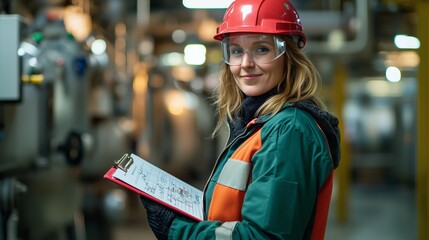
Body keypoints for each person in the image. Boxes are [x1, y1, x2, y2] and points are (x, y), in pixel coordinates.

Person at [140, 0, 341, 239]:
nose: (246, 64)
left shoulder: (287, 130)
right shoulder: (256, 125)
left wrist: (178, 229)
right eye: (236, 51)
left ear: (290, 55)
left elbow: (262, 236)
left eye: (262, 49)